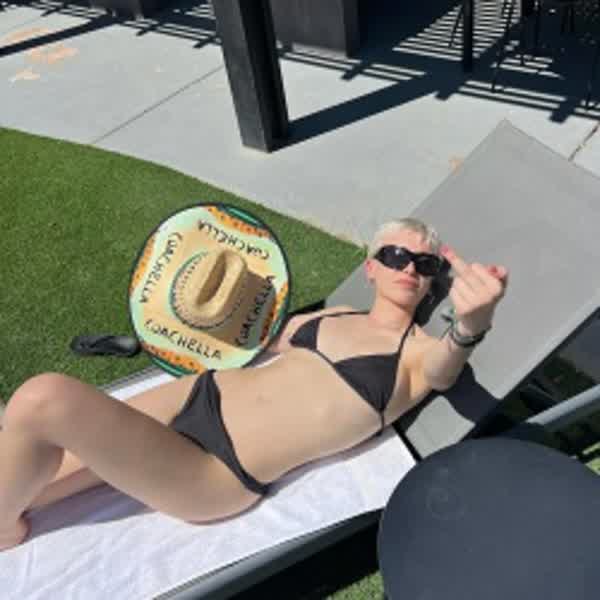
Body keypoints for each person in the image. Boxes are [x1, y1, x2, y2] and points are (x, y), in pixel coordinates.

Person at [0, 218, 508, 551]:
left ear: (431, 280)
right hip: (197, 395)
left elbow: (446, 366)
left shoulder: (417, 353)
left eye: (426, 264)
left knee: (43, 400)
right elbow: (258, 337)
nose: (411, 269)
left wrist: (472, 324)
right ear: (371, 268)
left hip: (218, 470)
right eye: (397, 256)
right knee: (37, 466)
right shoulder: (334, 314)